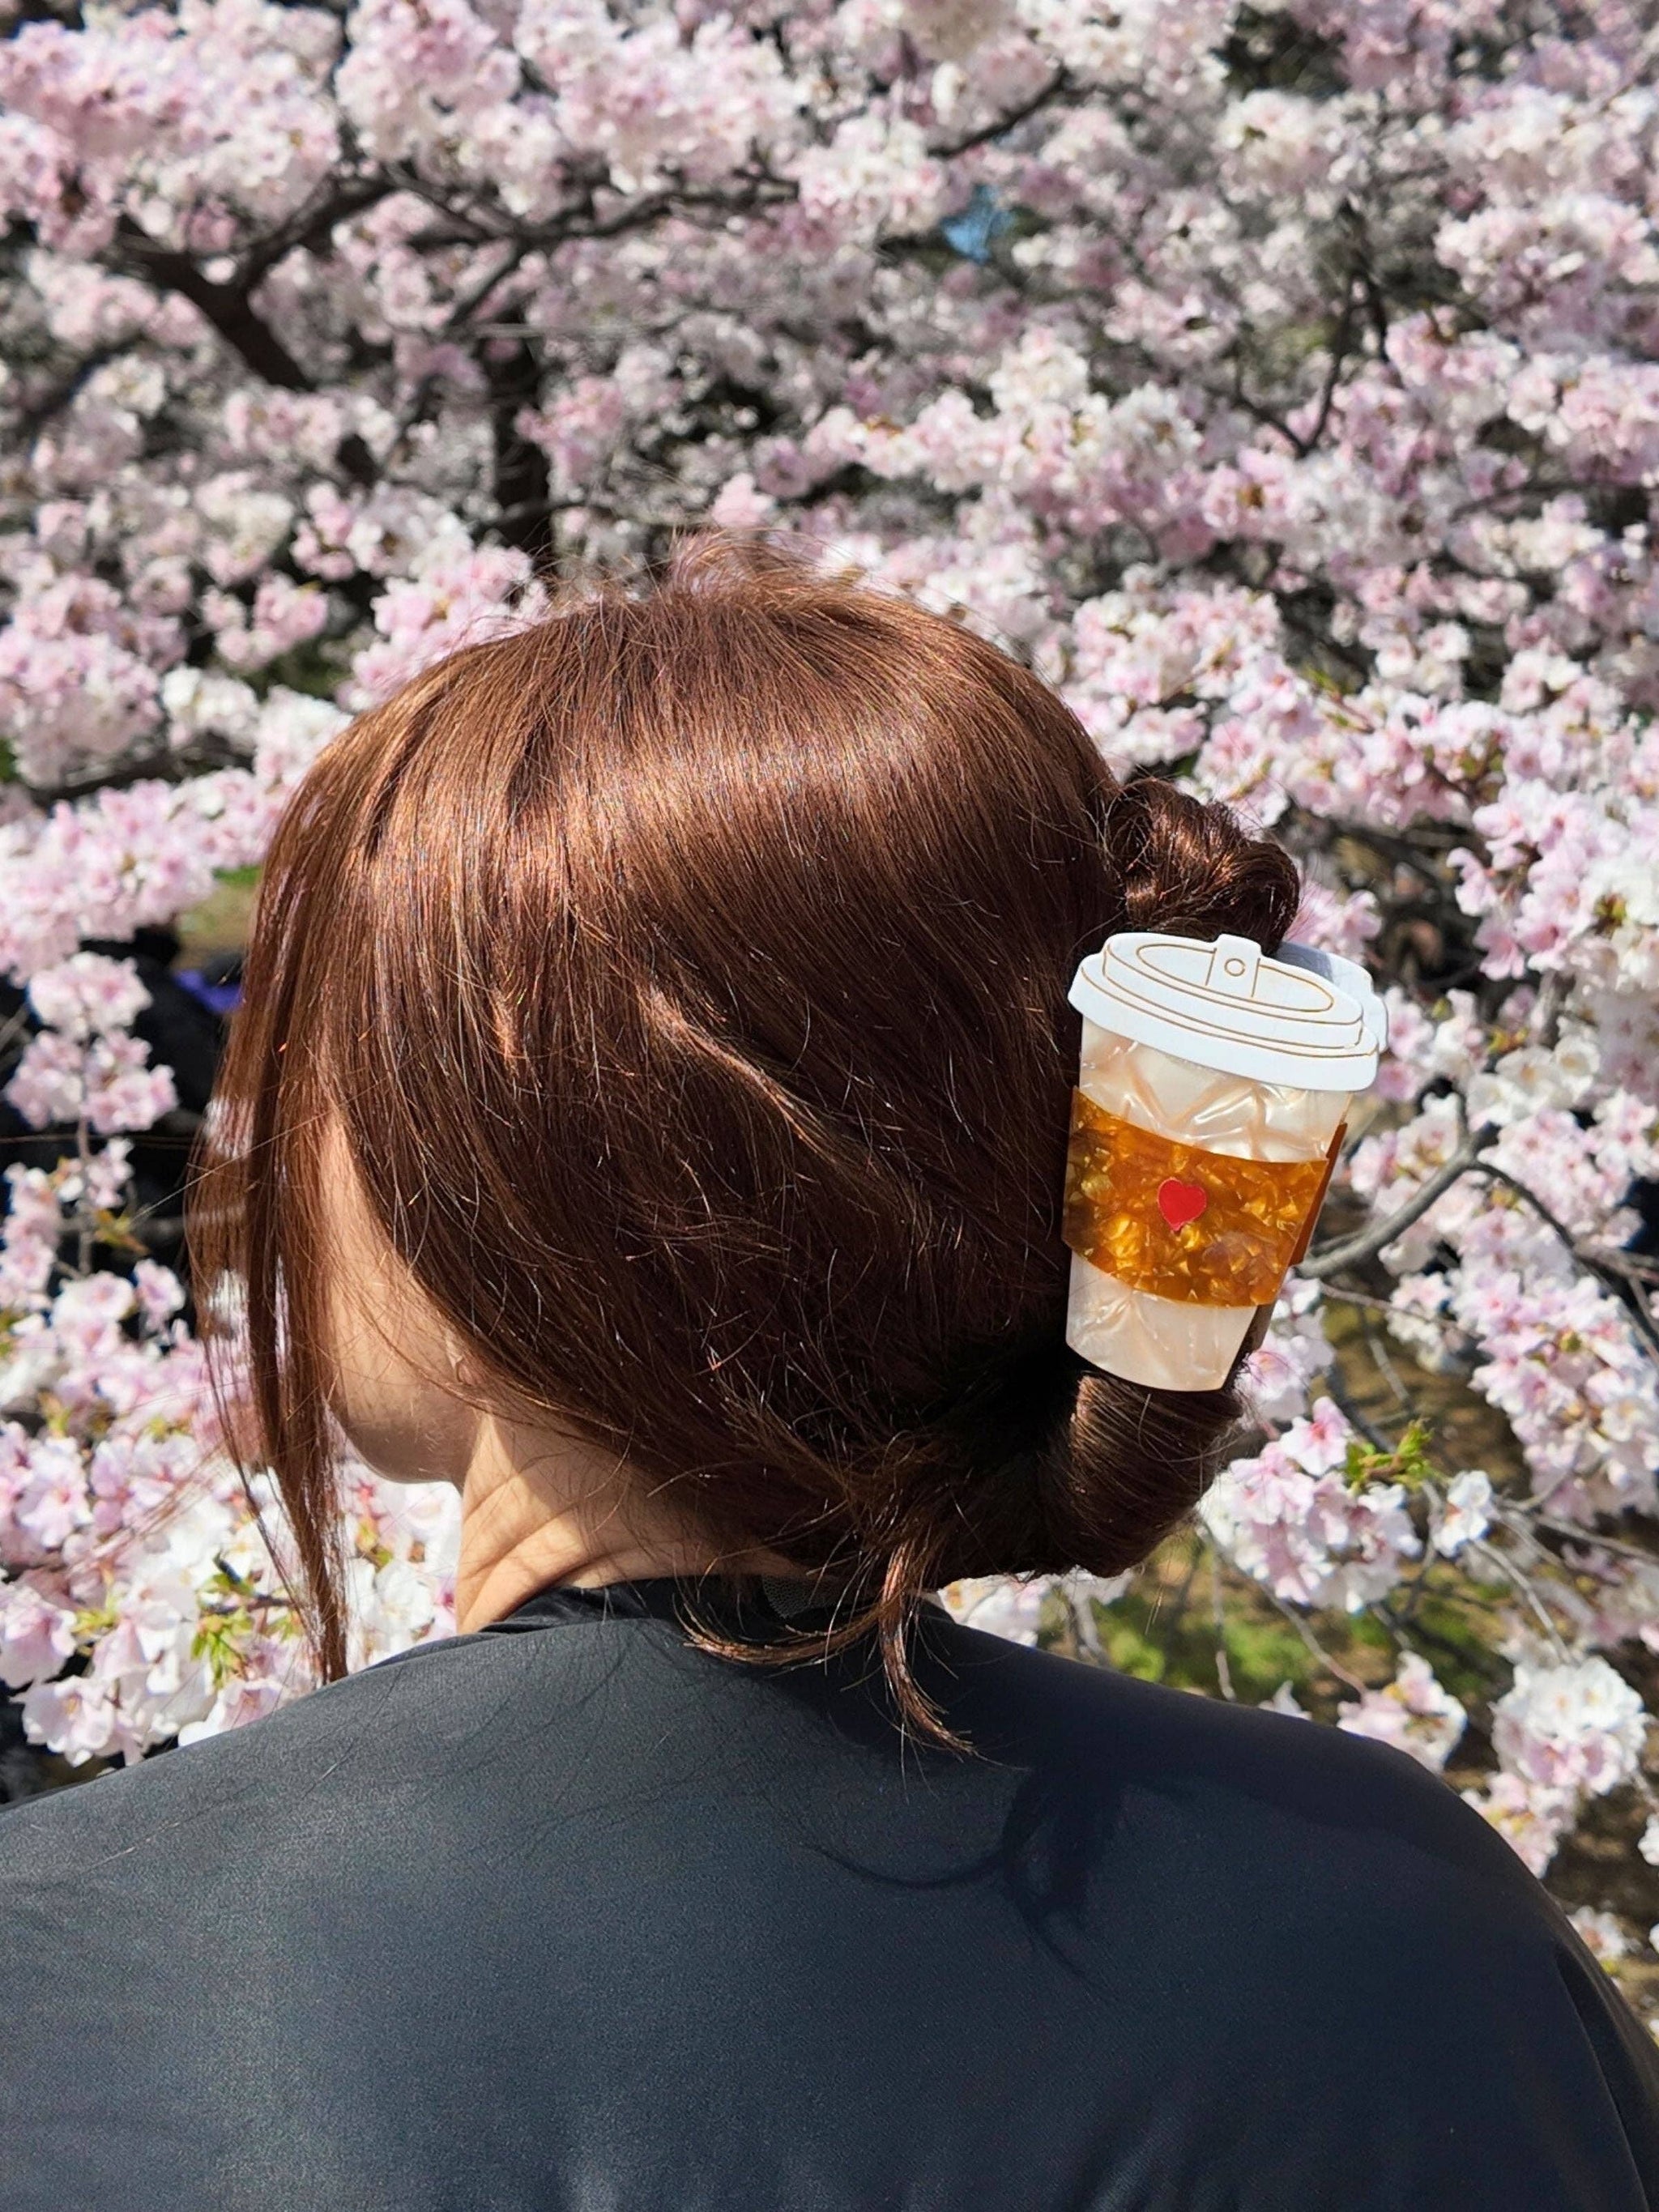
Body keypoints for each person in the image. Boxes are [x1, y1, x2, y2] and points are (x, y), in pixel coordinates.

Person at [2, 533, 1657, 2212]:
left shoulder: (83, 1982)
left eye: (323, 1063)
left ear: (525, 1136)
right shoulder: (1415, 1917)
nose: (271, 1145)